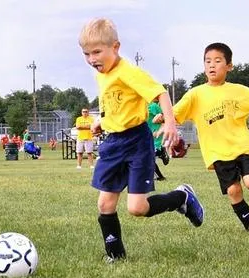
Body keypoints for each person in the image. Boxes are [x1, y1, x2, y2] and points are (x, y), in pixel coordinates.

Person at [79, 18, 204, 263]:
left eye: (97, 51)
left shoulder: (128, 72)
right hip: (113, 144)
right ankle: (115, 255)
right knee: (105, 204)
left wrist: (170, 123)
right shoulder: (101, 75)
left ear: (115, 47)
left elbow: (160, 93)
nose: (92, 59)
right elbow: (114, 106)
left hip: (136, 142)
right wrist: (100, 122)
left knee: (137, 208)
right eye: (86, 53)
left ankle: (182, 197)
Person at [173, 43, 249, 232]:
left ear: (229, 66)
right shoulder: (195, 94)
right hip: (217, 152)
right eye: (207, 61)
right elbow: (176, 113)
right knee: (233, 190)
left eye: (217, 61)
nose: (212, 65)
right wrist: (164, 116)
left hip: (243, 146)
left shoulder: (238, 91)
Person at [147, 101, 168, 181]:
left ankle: (160, 177)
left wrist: (160, 130)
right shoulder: (139, 107)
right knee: (147, 157)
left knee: (148, 158)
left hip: (155, 136)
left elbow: (166, 118)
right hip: (147, 136)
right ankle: (160, 153)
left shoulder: (153, 106)